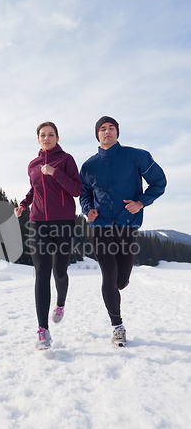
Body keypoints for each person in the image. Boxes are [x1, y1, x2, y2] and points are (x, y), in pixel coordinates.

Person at [79, 116, 167, 347]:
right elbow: (84, 194)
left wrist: (141, 202)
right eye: (102, 129)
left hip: (128, 224)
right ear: (97, 135)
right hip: (100, 227)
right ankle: (117, 326)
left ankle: (119, 286)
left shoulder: (137, 156)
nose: (107, 132)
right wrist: (88, 210)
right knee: (108, 277)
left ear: (117, 132)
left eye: (111, 128)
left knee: (121, 280)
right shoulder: (89, 165)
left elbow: (159, 182)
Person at [14, 122, 82, 350]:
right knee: (42, 272)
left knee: (59, 271)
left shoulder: (66, 159)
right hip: (38, 222)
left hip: (63, 222)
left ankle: (60, 303)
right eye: (43, 135)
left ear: (57, 137)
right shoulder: (32, 164)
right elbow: (35, 189)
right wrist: (24, 204)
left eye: (51, 134)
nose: (47, 138)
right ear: (38, 139)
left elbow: (76, 189)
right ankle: (43, 330)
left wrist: (55, 173)